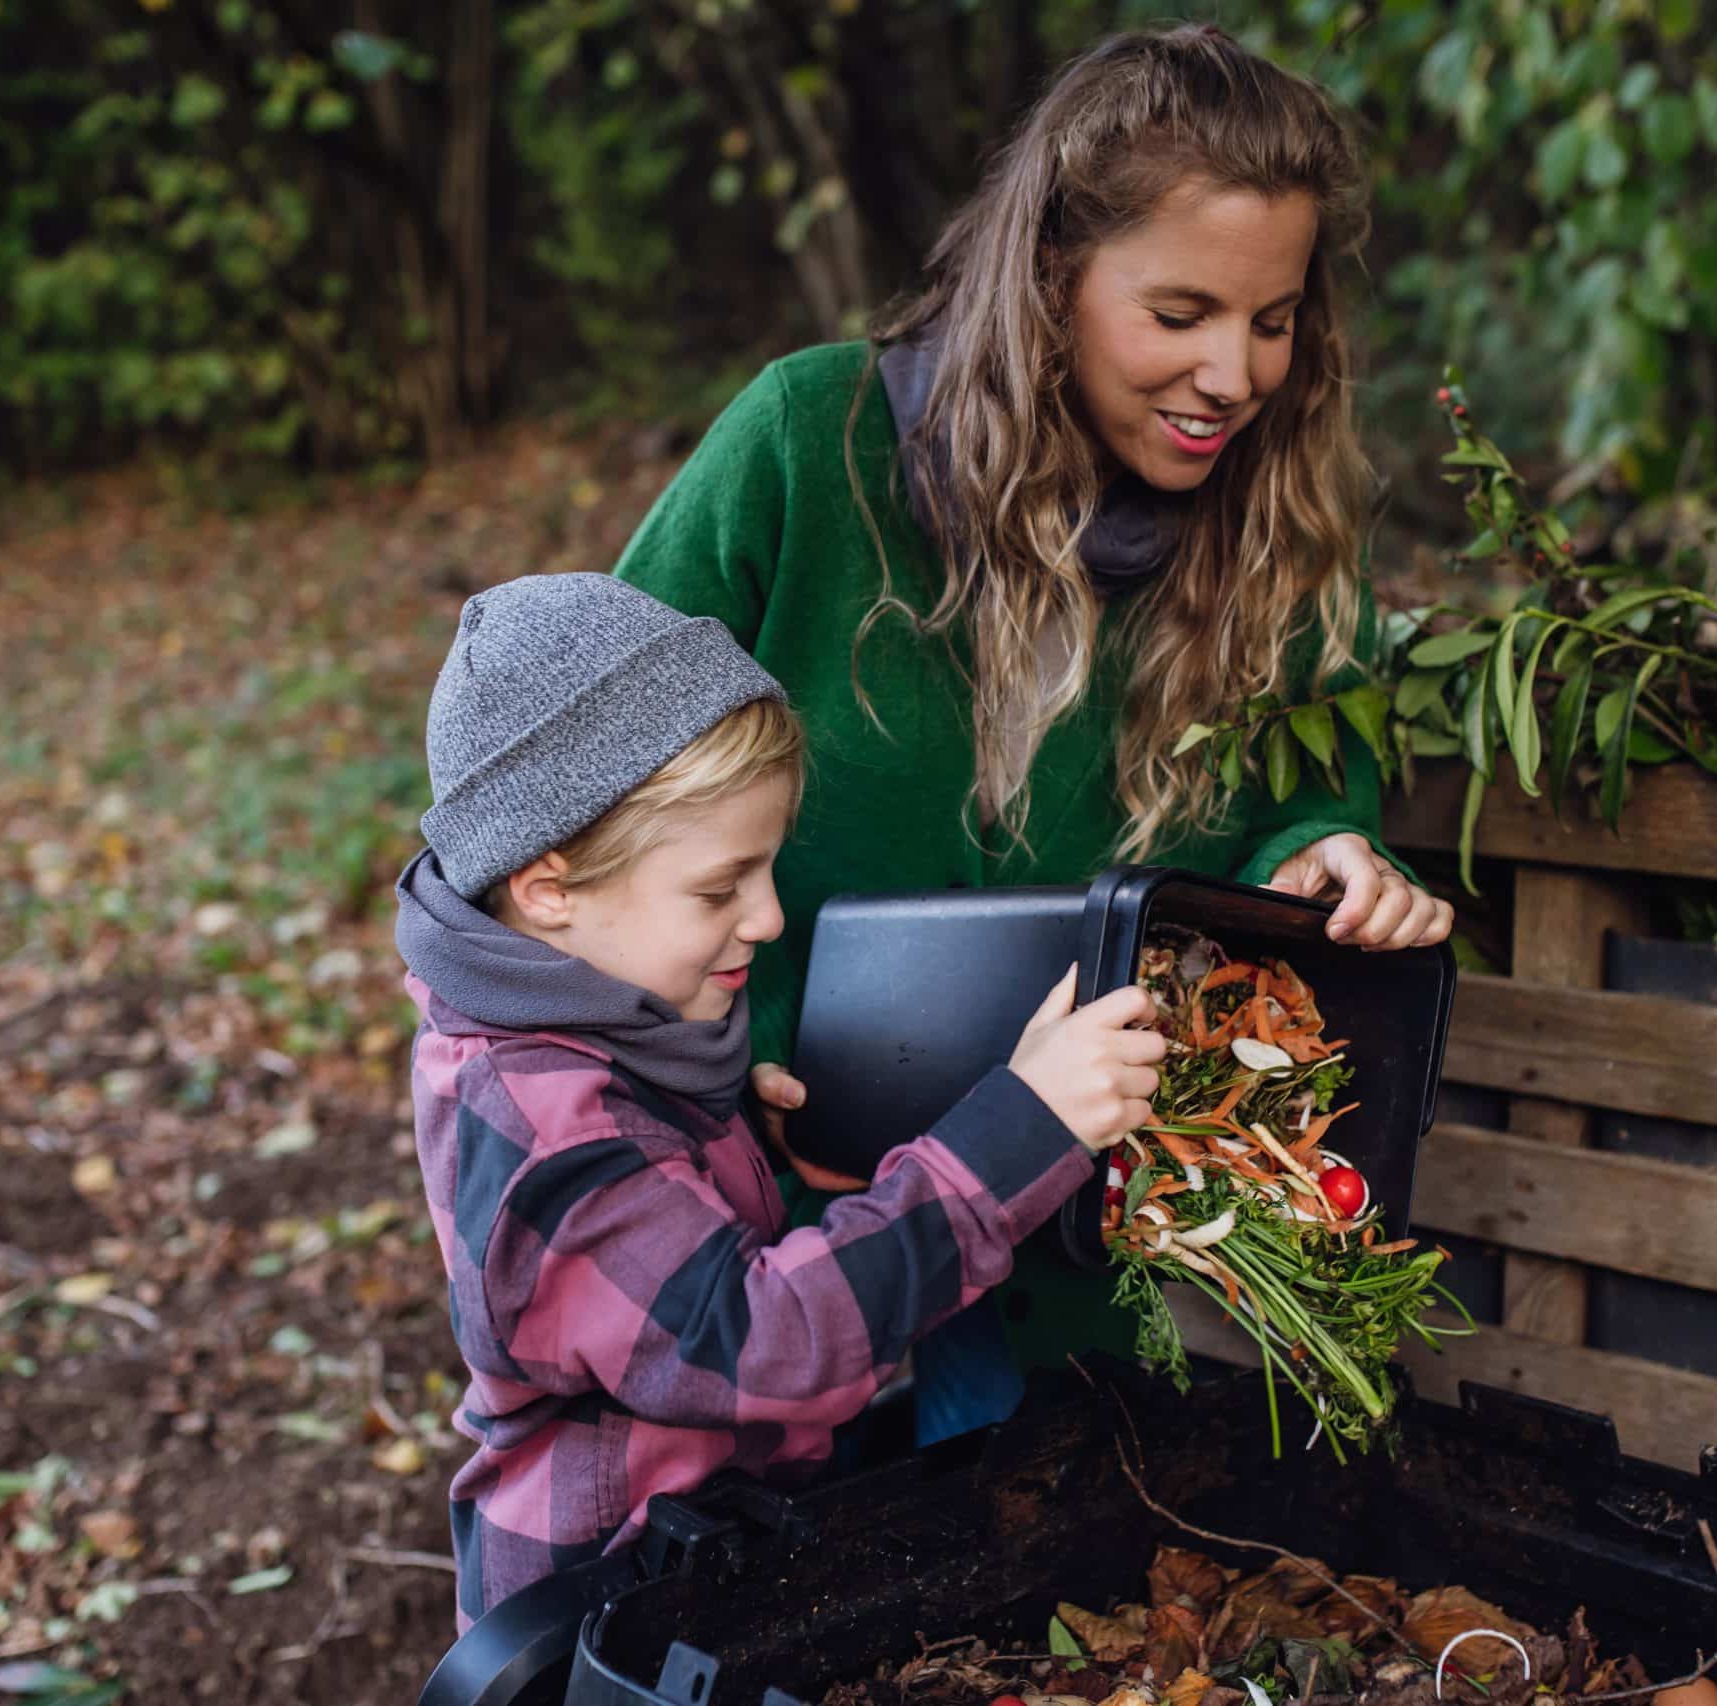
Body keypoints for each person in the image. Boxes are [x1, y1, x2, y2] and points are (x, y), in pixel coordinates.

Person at [613, 25, 1454, 1447]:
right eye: (1179, 311)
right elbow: (592, 775)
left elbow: (1302, 799)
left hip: (1074, 1253)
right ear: (1054, 275)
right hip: (768, 1240)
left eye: (1272, 318)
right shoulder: (807, 447)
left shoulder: (1282, 535)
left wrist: (1322, 851)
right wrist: (721, 1047)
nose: (1236, 375)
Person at [393, 572, 1166, 1624]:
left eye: (767, 870)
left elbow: (652, 1213)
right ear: (548, 886)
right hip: (608, 1610)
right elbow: (761, 1341)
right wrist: (1018, 1133)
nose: (764, 916)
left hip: (719, 1547)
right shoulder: (540, 1118)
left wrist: (737, 1135)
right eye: (720, 887)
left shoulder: (585, 1015)